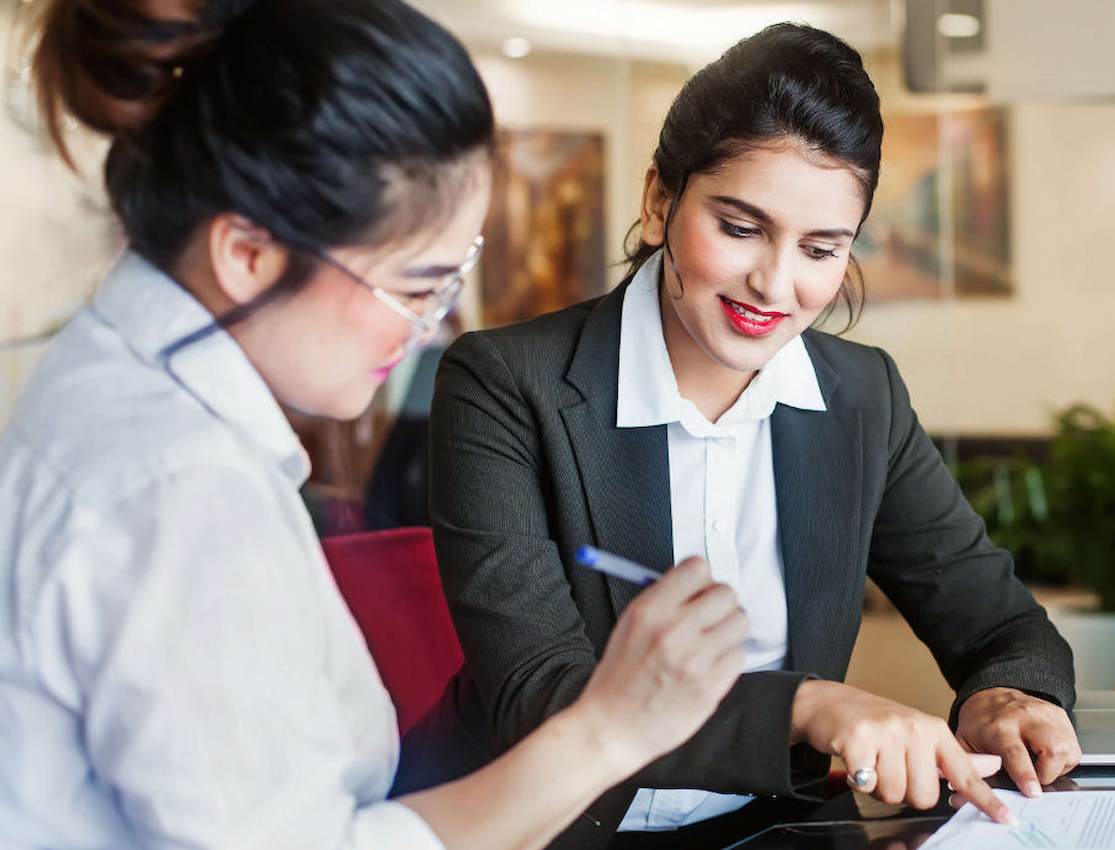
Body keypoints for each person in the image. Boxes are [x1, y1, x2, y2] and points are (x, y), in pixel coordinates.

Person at [0, 1, 746, 848]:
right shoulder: (179, 494)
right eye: (415, 283)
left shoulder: (119, 385)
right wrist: (610, 729)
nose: (430, 325)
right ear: (247, 253)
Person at [425, 22, 1080, 843]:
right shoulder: (504, 382)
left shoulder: (859, 395)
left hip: (778, 830)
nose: (775, 284)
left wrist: (1008, 695)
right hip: (549, 830)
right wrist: (809, 707)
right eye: (739, 228)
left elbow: (998, 625)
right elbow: (540, 693)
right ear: (660, 200)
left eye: (820, 248)